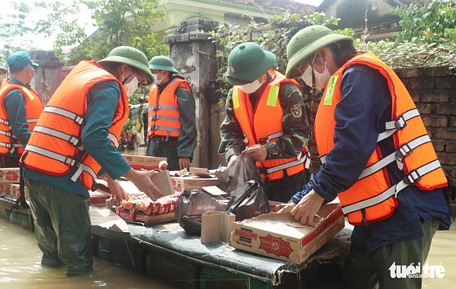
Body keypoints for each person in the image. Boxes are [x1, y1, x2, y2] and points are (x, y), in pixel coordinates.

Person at [284, 25, 451, 289]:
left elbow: (351, 151)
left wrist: (316, 194)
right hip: (372, 218)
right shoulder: (342, 81)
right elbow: (335, 161)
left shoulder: (359, 75)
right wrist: (298, 200)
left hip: (404, 210)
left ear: (321, 56)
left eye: (302, 68)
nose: (303, 77)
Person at [21, 46, 165, 277]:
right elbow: (93, 138)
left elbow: (78, 134)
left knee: (51, 253)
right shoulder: (109, 86)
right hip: (61, 179)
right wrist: (136, 178)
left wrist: (111, 179)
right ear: (125, 69)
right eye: (138, 81)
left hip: (33, 173)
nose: (136, 88)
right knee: (78, 260)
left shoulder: (83, 76)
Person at [218, 42, 310, 203]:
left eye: (245, 81)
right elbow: (229, 132)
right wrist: (232, 154)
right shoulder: (234, 94)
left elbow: (299, 136)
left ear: (262, 73)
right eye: (237, 82)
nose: (241, 86)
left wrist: (268, 151)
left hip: (291, 181)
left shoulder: (287, 91)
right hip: (255, 180)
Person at [146, 55, 196, 171]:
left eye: (153, 72)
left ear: (164, 73)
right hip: (153, 146)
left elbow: (189, 124)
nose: (151, 75)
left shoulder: (181, 92)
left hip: (172, 148)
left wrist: (184, 153)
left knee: (174, 184)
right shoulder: (154, 90)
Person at [0, 51, 44, 167]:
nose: (34, 71)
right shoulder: (15, 94)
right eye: (33, 67)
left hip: (20, 151)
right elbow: (20, 129)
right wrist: (39, 148)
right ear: (28, 70)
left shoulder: (19, 89)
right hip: (14, 155)